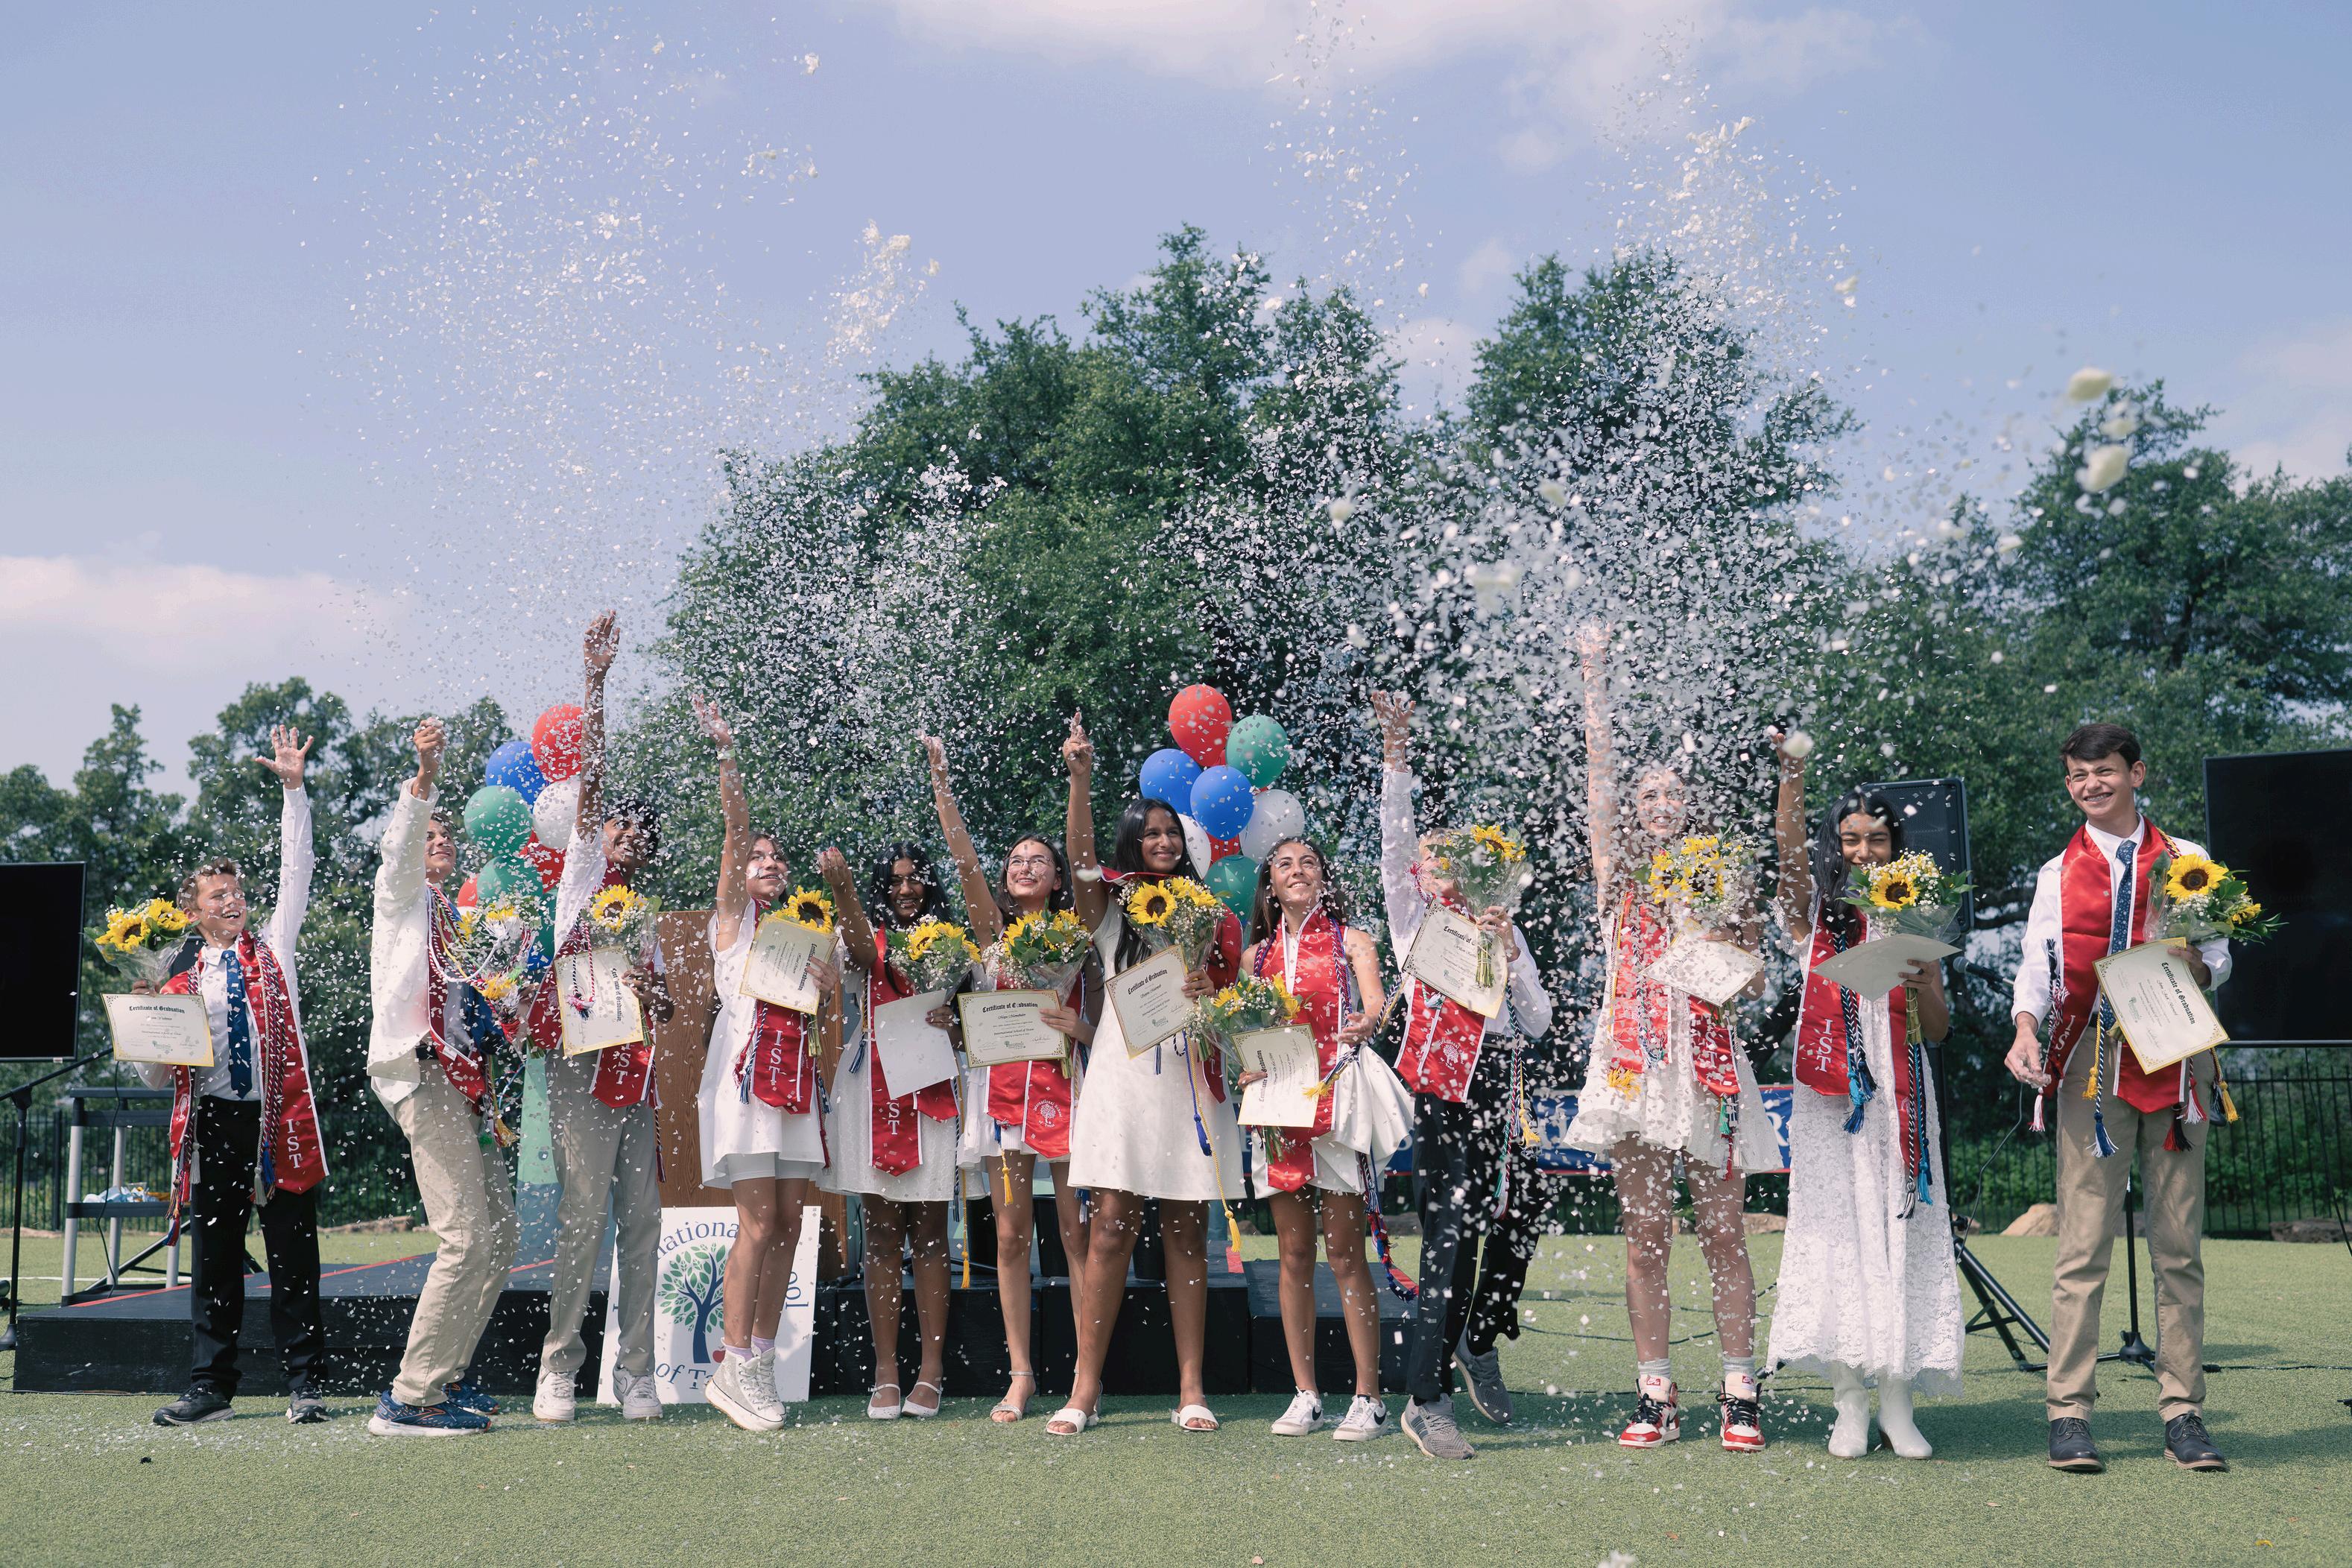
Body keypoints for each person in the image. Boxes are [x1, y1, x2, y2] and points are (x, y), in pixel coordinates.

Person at [1561, 626, 1774, 1454]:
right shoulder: (1616, 878)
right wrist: (1594, 676)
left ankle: (1739, 1389)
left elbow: (1756, 981)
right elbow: (1598, 774)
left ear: (1690, 807)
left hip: (1709, 1068)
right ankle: (1655, 1389)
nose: (1657, 804)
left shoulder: (1722, 874)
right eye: (1646, 795)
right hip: (1632, 1072)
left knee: (1723, 1232)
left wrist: (1721, 948)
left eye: (1671, 794)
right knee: (1645, 1237)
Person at [2005, 722, 2232, 1473]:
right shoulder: (2056, 871)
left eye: (2103, 770)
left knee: (2178, 1247)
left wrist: (2190, 960)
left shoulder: (2189, 860)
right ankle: (2069, 1412)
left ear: (2137, 773)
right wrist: (2025, 1029)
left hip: (2174, 1056)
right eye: (2077, 775)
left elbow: (2221, 961)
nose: (2090, 785)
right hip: (2090, 1063)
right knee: (2082, 1247)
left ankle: (2184, 1410)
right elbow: (2036, 967)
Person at [1765, 733, 1962, 1459]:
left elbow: (1937, 1029)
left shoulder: (1917, 916)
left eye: (1877, 839)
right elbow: (1788, 853)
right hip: (1832, 1095)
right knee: (1839, 1232)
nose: (1864, 852)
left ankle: (1897, 1403)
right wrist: (1792, 776)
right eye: (1850, 839)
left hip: (1902, 1094)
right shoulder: (1813, 915)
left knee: (1901, 1226)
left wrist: (1923, 984)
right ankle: (1848, 1403)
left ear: (1895, 845)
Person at [1370, 692, 1555, 1461]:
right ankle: (1427, 1399)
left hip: (1504, 1092)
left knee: (1523, 1212)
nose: (1448, 865)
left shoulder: (1499, 927)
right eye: (1436, 855)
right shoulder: (1414, 922)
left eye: (1461, 856)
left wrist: (1510, 953)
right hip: (1445, 1091)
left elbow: (1538, 1022)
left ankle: (1479, 1338)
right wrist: (1397, 754)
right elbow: (1393, 841)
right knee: (1448, 1235)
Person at [1049, 715, 1244, 1438]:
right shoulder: (1111, 911)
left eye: (1171, 833)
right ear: (1132, 845)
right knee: (1109, 1229)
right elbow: (1078, 859)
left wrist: (1209, 988)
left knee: (1187, 1231)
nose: (1163, 842)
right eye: (1150, 834)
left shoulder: (1208, 914)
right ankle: (1084, 1387)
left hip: (1187, 1075)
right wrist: (1079, 780)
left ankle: (1191, 1387)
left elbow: (1228, 997)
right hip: (1123, 1076)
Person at [146, 725, 330, 1427]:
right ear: (193, 911)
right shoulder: (180, 978)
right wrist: (147, 1029)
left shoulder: (274, 945)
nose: (231, 901)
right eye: (216, 895)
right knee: (217, 1257)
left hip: (278, 1116)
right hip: (216, 1122)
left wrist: (294, 792)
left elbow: (297, 869)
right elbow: (160, 1077)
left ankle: (306, 1384)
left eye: (236, 891)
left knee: (294, 1255)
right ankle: (211, 1388)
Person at [528, 611, 677, 1424]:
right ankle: (559, 1367)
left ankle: (637, 1373)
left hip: (636, 1074)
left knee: (643, 1223)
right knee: (582, 1219)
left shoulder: (643, 915)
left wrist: (656, 999)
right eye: (620, 823)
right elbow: (592, 775)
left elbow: (664, 1004)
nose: (628, 837)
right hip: (580, 1066)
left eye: (641, 833)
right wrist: (596, 681)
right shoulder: (581, 876)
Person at [922, 734, 1096, 1423]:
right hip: (1001, 1102)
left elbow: (1084, 855)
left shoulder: (1077, 933)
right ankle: (1021, 1375)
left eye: (1039, 861)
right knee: (1009, 1235)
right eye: (1016, 860)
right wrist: (942, 784)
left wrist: (1079, 1028)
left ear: (1056, 879)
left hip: (1066, 1093)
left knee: (1076, 1234)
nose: (1026, 866)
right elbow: (963, 860)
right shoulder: (991, 935)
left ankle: (1085, 1376)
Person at [362, 716, 519, 1436]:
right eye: (429, 835)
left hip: (467, 1087)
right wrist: (423, 778)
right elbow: (398, 848)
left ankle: (446, 1377)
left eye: (447, 835)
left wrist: (510, 998)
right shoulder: (398, 899)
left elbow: (472, 1005)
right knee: (463, 1238)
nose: (440, 842)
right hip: (423, 1076)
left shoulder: (454, 919)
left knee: (501, 1237)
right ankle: (409, 1396)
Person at [689, 697, 839, 1434]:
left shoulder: (799, 928)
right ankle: (732, 1364)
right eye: (759, 857)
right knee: (754, 1221)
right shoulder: (732, 920)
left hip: (795, 1080)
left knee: (788, 1219)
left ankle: (759, 1357)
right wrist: (727, 752)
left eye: (777, 858)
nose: (769, 863)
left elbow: (826, 1002)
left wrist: (826, 980)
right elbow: (734, 829)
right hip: (746, 1080)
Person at [1238, 836, 1394, 1441]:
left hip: (1335, 1103)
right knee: (1294, 1254)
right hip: (1278, 1109)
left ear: (1324, 878)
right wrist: (1244, 1066)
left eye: (1308, 863)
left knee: (1346, 1253)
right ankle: (1305, 1394)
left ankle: (1369, 1398)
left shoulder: (1353, 941)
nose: (1297, 871)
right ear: (1270, 884)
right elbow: (1243, 1032)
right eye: (1285, 864)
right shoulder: (1254, 957)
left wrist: (1367, 1020)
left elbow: (1377, 1004)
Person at [819, 839, 960, 1421]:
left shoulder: (952, 942)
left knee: (929, 1233)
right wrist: (843, 890)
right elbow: (859, 951)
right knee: (879, 1231)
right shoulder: (862, 938)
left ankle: (931, 1371)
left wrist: (953, 1020)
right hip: (870, 1086)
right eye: (895, 880)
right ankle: (885, 1372)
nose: (906, 889)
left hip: (929, 1085)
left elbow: (969, 1015)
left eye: (915, 878)